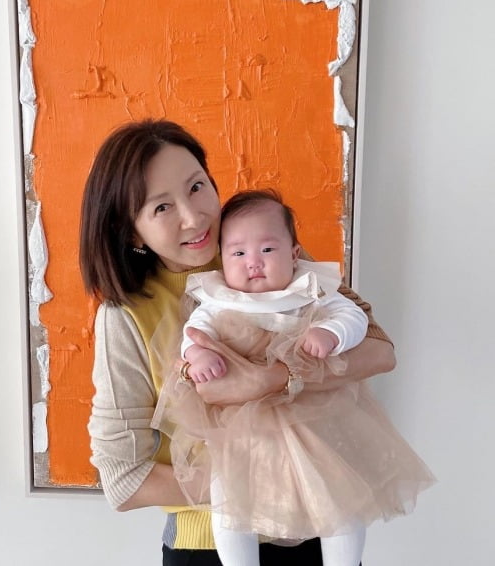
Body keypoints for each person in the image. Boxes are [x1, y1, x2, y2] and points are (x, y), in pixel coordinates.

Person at [80, 119, 397, 566]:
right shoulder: (126, 315)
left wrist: (272, 380)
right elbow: (123, 479)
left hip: (318, 529)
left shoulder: (261, 249)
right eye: (162, 207)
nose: (194, 217)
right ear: (132, 231)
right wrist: (261, 481)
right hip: (209, 545)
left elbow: (379, 350)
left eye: (196, 187)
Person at [152, 189, 435, 566]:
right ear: (222, 258)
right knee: (228, 498)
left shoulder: (309, 288)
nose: (253, 262)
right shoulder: (218, 297)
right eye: (238, 253)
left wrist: (330, 333)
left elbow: (353, 317)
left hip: (313, 416)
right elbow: (194, 331)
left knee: (339, 495)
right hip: (243, 427)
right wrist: (198, 354)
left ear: (294, 254)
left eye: (267, 249)